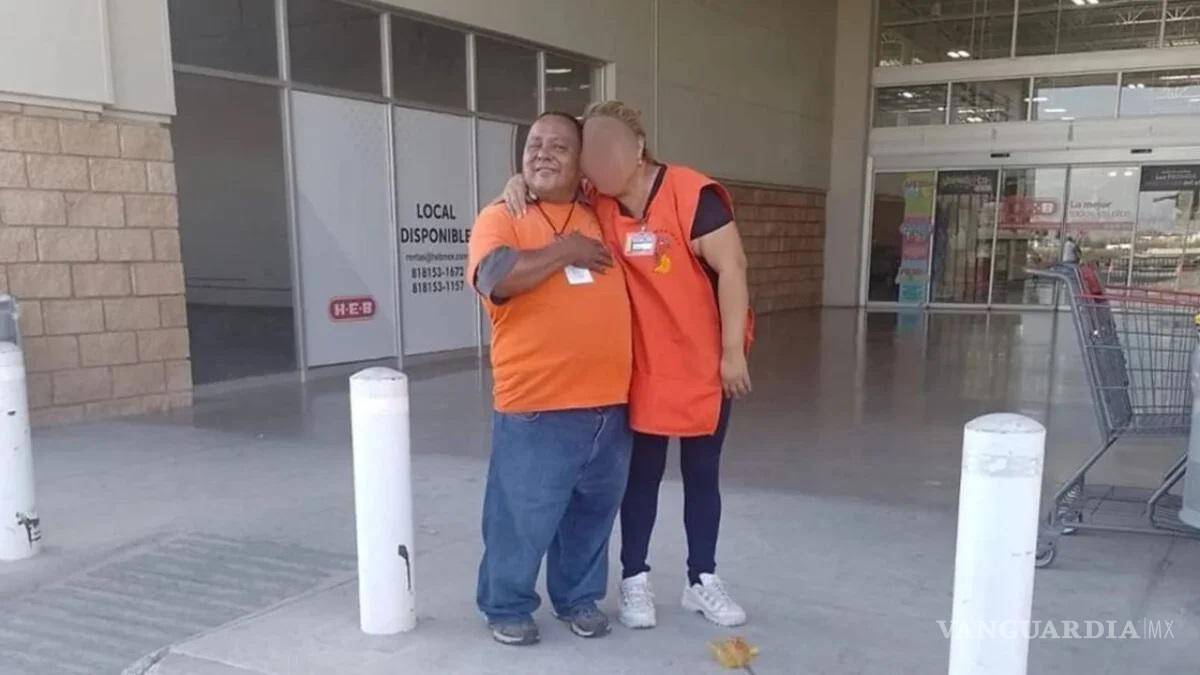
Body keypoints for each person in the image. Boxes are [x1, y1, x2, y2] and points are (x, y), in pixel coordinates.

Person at [502, 100, 753, 629]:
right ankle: (635, 578)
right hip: (644, 365)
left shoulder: (693, 195)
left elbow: (732, 268)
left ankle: (702, 579)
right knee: (641, 477)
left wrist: (733, 354)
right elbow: (551, 183)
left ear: (639, 145)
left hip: (705, 363)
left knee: (702, 474)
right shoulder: (599, 201)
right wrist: (516, 183)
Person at [469, 111, 634, 646]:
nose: (542, 152)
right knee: (520, 518)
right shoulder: (502, 215)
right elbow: (496, 277)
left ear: (582, 161)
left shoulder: (600, 214)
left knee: (591, 516)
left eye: (559, 146)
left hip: (610, 407)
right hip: (536, 406)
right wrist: (566, 251)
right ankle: (506, 605)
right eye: (534, 144)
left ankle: (578, 598)